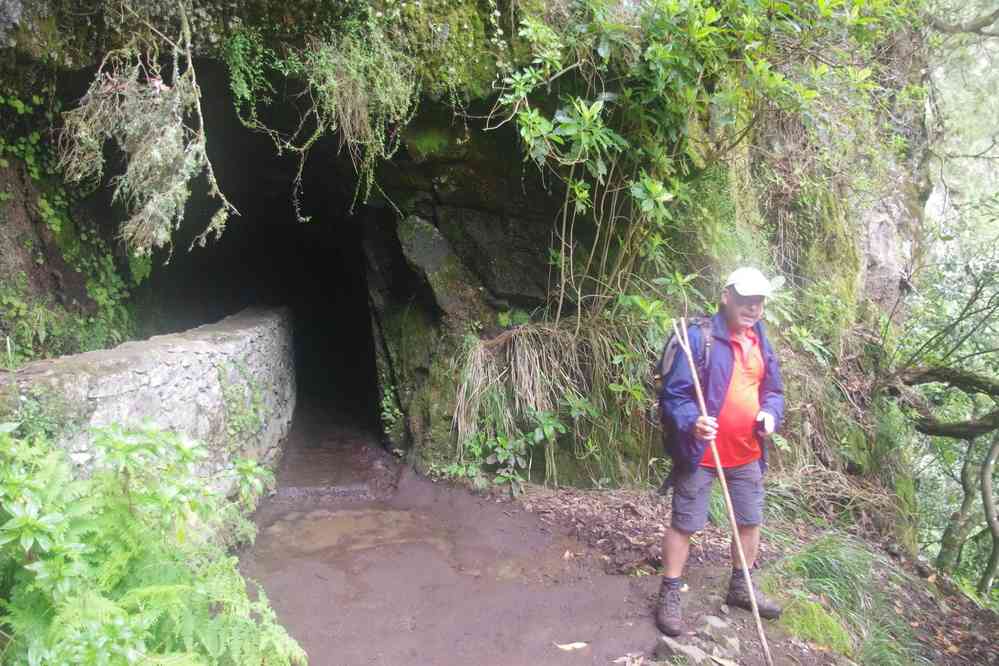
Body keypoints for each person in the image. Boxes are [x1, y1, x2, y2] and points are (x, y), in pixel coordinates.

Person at [655, 267, 785, 637]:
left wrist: (770, 415)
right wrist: (693, 421)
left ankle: (741, 585)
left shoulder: (760, 339)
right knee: (685, 523)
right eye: (745, 299)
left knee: (749, 520)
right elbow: (674, 397)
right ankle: (670, 591)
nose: (753, 307)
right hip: (702, 451)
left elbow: (774, 392)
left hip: (746, 451)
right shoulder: (700, 338)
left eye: (759, 301)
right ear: (726, 296)